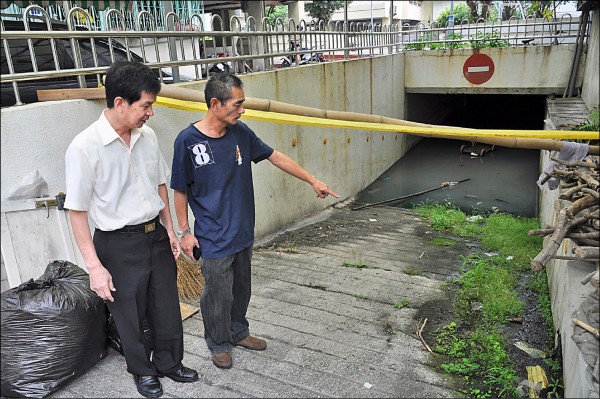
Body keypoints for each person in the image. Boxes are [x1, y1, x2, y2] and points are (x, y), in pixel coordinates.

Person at [170, 72, 340, 370]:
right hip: (212, 235)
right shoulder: (187, 141)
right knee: (217, 293)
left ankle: (238, 332)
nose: (242, 109)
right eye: (237, 104)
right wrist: (184, 231)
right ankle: (219, 342)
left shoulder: (241, 133)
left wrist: (313, 180)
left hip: (242, 231)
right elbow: (180, 189)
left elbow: (275, 157)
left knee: (242, 289)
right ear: (215, 103)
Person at [64, 61, 199, 398]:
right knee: (129, 312)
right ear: (120, 102)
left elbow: (159, 186)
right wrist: (94, 267)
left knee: (166, 304)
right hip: (117, 243)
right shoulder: (84, 147)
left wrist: (170, 230)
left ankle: (169, 362)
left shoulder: (147, 136)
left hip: (154, 234)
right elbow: (77, 213)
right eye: (146, 105)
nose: (150, 113)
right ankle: (142, 370)